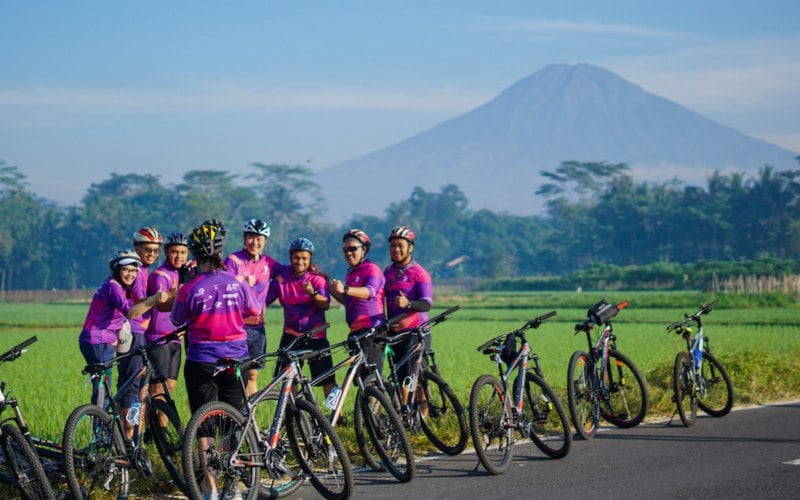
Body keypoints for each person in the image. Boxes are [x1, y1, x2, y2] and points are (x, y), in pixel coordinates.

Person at [171, 220, 261, 417]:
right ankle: (232, 447)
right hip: (236, 358)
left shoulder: (188, 288)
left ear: (195, 255)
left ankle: (205, 448)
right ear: (220, 253)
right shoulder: (238, 281)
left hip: (201, 360)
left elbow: (176, 321)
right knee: (233, 417)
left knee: (203, 419)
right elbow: (255, 310)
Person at [78, 250, 167, 421]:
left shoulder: (123, 286)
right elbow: (131, 313)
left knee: (106, 387)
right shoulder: (113, 286)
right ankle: (98, 436)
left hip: (103, 341)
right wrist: (154, 300)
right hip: (98, 340)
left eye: (134, 271)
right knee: (102, 389)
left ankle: (106, 429)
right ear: (117, 270)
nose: (130, 274)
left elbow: (139, 301)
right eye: (126, 270)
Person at [266, 238, 336, 398]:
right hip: (291, 336)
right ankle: (293, 413)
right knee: (286, 378)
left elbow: (325, 305)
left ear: (310, 259)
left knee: (328, 379)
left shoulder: (317, 279)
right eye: (296, 257)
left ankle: (337, 415)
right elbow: (263, 301)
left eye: (304, 258)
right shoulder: (281, 280)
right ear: (291, 258)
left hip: (316, 336)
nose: (300, 261)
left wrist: (313, 293)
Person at [224, 218, 287, 396]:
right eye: (251, 237)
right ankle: (233, 415)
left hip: (258, 328)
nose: (255, 242)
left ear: (265, 241)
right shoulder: (233, 261)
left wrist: (312, 272)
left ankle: (250, 417)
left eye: (260, 238)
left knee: (252, 374)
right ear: (244, 238)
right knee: (235, 374)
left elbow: (290, 271)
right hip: (237, 327)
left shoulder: (268, 263)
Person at [383, 225, 434, 411]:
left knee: (415, 376)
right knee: (400, 374)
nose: (396, 249)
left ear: (410, 248)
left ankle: (419, 412)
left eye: (400, 245)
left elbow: (427, 304)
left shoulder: (419, 273)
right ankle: (408, 412)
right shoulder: (387, 272)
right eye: (393, 246)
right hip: (395, 333)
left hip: (417, 332)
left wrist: (409, 304)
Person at [328, 229, 386, 376]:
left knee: (371, 378)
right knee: (359, 378)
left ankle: (378, 400)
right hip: (355, 331)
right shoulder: (351, 273)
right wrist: (329, 287)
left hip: (372, 330)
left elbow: (369, 292)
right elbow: (348, 301)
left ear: (364, 249)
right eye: (345, 250)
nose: (348, 253)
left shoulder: (372, 269)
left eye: (353, 249)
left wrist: (345, 289)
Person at [145, 232, 188, 407]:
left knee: (170, 388)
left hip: (176, 339)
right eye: (175, 252)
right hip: (159, 338)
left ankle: (162, 431)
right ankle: (150, 432)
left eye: (183, 253)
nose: (179, 257)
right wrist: (179, 292)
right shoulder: (159, 275)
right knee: (156, 390)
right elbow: (162, 304)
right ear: (166, 252)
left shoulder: (184, 274)